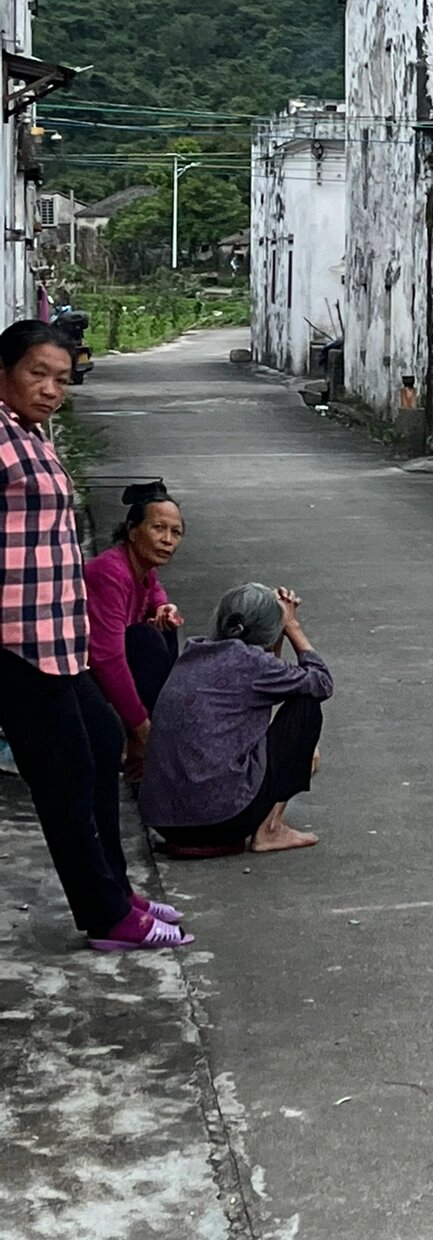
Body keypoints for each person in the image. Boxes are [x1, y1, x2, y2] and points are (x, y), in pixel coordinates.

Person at [0, 320, 191, 951]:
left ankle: (115, 889)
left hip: (56, 639)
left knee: (103, 740)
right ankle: (107, 916)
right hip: (15, 643)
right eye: (37, 374)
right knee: (66, 777)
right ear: (4, 370)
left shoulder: (31, 434)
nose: (52, 389)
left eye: (61, 378)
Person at [141, 582, 333, 855]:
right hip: (221, 820)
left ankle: (260, 823)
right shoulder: (253, 664)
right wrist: (291, 626)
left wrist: (275, 630)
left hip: (166, 822)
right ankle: (270, 830)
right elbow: (321, 683)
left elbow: (267, 679)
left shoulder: (195, 651)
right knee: (306, 706)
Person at [84, 481, 185, 774]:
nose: (167, 540)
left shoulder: (142, 566)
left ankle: (152, 737)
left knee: (163, 629)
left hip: (100, 671)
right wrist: (142, 727)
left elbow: (154, 590)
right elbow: (106, 659)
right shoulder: (110, 572)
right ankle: (142, 742)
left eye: (175, 532)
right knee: (145, 639)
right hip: (81, 675)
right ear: (131, 531)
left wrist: (164, 608)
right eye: (158, 528)